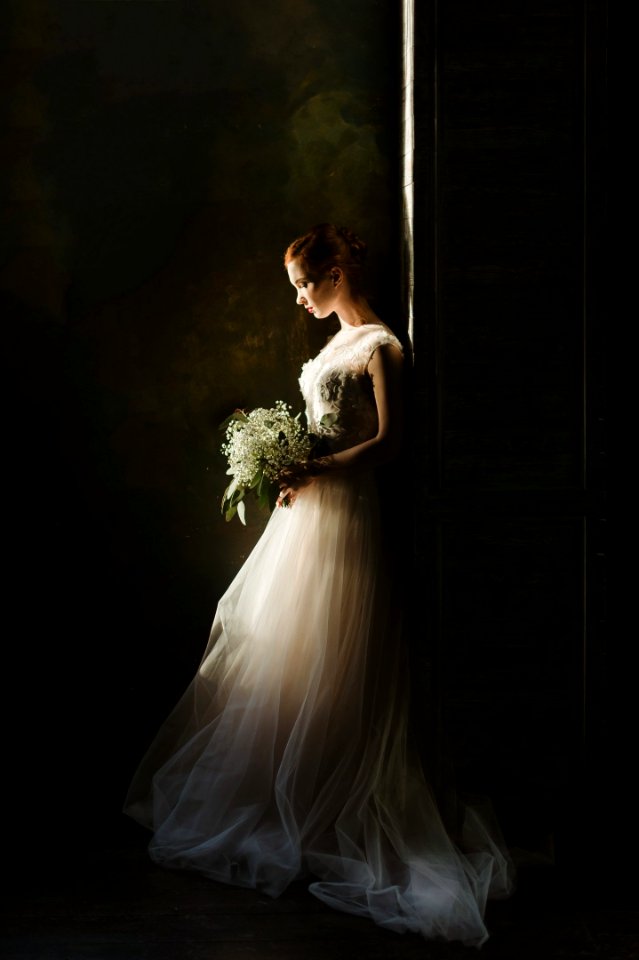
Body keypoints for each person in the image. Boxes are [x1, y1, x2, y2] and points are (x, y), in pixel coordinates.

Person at [123, 223, 514, 946]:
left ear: (337, 271)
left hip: (349, 515)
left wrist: (315, 469)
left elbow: (391, 444)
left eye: (306, 284)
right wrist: (283, 463)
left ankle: (333, 800)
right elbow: (320, 426)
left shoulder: (380, 346)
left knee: (335, 649)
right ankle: (285, 793)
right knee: (272, 643)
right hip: (306, 516)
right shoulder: (331, 344)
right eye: (295, 288)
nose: (300, 300)